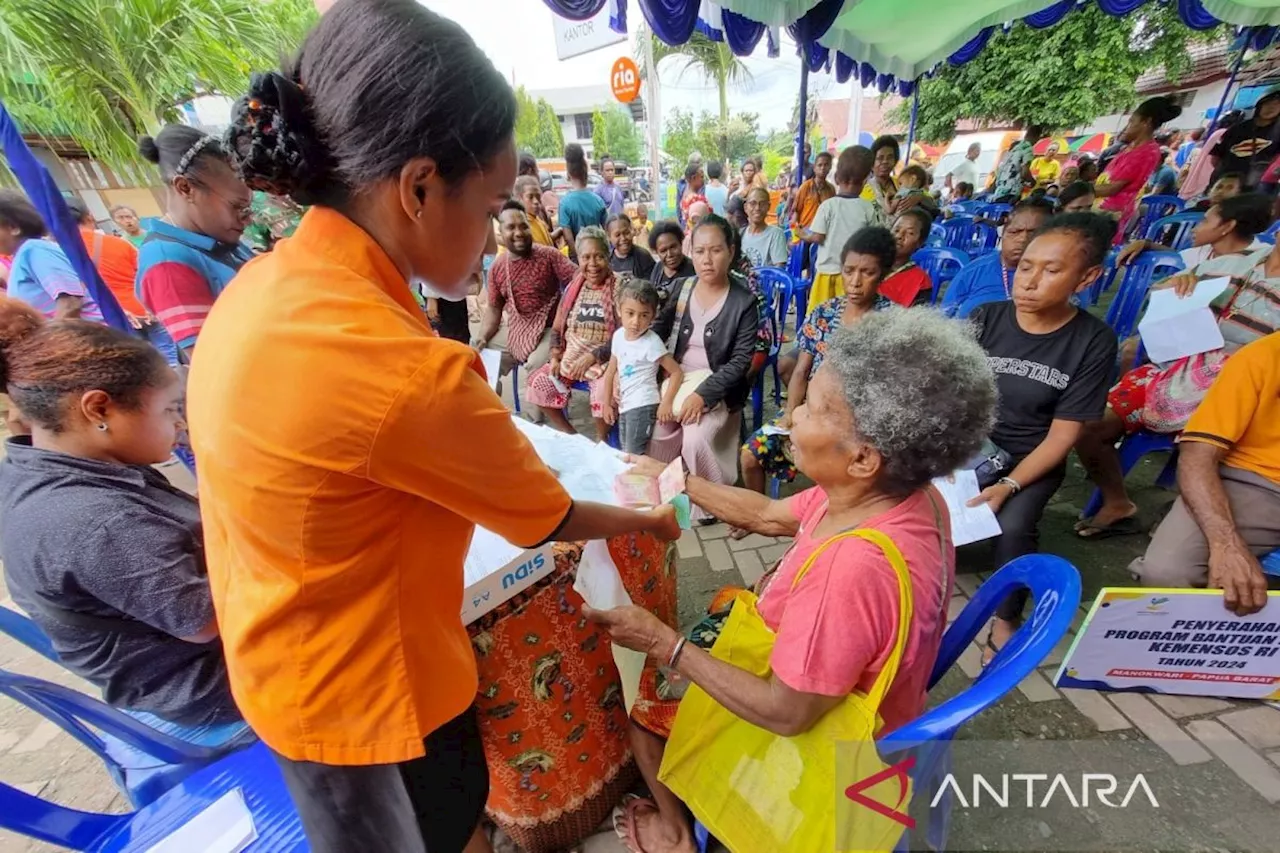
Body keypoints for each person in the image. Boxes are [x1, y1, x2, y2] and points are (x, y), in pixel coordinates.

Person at [200, 4, 680, 851]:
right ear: (420, 186)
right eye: (494, 203)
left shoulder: (259, 291)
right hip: (372, 708)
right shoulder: (397, 365)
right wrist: (649, 516)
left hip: (286, 667)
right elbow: (548, 513)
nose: (499, 234)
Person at [590, 307, 996, 853]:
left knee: (643, 709)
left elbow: (786, 714)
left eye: (812, 408)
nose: (793, 414)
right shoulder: (904, 494)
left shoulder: (850, 570)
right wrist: (677, 480)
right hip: (868, 685)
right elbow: (766, 516)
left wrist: (663, 642)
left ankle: (679, 833)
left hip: (828, 740)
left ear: (861, 458)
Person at [0, 298, 244, 733]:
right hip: (208, 685)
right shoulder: (95, 521)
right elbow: (206, 619)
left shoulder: (42, 463)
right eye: (170, 410)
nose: (181, 426)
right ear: (98, 410)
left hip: (174, 661)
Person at [1075, 194, 1278, 538]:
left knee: (1211, 453)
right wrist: (1173, 287)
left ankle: (1184, 514)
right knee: (1088, 425)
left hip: (1244, 397)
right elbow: (1161, 295)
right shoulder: (1230, 264)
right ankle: (1118, 502)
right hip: (1176, 374)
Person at [969, 213, 1119, 660]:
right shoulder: (986, 318)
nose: (1029, 281)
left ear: (1087, 277)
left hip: (1032, 457)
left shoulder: (1093, 341)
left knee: (1013, 527)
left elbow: (1062, 438)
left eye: (1051, 271)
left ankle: (1005, 617)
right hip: (972, 447)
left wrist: (1008, 485)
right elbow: (953, 394)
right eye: (1027, 265)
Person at [1130, 331, 1280, 613]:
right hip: (1256, 484)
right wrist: (1226, 544)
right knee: (1167, 572)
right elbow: (1198, 454)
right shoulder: (1263, 357)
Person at [740, 226, 895, 494]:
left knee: (846, 474)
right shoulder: (825, 312)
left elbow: (889, 392)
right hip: (810, 411)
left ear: (883, 274)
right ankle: (752, 516)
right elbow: (801, 371)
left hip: (859, 424)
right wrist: (790, 412)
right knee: (749, 455)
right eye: (849, 271)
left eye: (867, 272)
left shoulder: (892, 322)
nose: (855, 281)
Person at [649, 215, 760, 521]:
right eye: (699, 251)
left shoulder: (744, 302)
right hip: (676, 380)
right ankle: (668, 489)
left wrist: (703, 395)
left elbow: (740, 361)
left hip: (717, 387)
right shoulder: (682, 288)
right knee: (659, 429)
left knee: (696, 438)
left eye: (715, 250)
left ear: (731, 251)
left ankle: (710, 502)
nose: (706, 259)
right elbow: (656, 329)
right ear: (691, 252)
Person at [134, 125, 255, 355]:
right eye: (237, 207)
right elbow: (212, 362)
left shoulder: (218, 239)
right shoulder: (167, 263)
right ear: (185, 187)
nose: (246, 219)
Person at [471, 199, 575, 395]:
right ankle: (493, 411)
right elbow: (494, 308)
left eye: (523, 226)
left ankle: (536, 421)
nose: (518, 233)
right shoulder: (497, 267)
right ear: (501, 233)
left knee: (536, 366)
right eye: (511, 227)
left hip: (549, 331)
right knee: (482, 357)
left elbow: (578, 279)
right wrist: (482, 338)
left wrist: (566, 312)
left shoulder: (549, 256)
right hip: (517, 329)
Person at [525, 227, 619, 439]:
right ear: (578, 259)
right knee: (538, 383)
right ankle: (571, 435)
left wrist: (592, 357)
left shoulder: (620, 288)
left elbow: (624, 337)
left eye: (599, 257)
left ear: (608, 256)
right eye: (586, 257)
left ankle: (601, 441)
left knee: (604, 391)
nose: (592, 264)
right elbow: (558, 328)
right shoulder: (572, 288)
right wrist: (555, 356)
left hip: (606, 360)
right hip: (571, 354)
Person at [65, 198, 179, 365]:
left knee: (139, 363)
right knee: (169, 356)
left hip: (113, 316)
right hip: (145, 308)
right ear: (89, 217)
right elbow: (146, 275)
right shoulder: (119, 244)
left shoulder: (64, 253)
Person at [600, 278, 683, 454]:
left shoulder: (651, 343)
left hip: (643, 405)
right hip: (625, 404)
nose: (636, 322)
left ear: (653, 316)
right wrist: (606, 403)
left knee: (632, 454)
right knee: (626, 452)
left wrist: (666, 403)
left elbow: (676, 372)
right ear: (619, 310)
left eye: (644, 315)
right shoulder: (618, 336)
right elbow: (610, 372)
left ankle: (639, 481)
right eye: (630, 313)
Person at [0, 191, 104, 322]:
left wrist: (48, 341)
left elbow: (71, 303)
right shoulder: (22, 255)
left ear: (13, 227)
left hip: (87, 337)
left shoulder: (35, 250)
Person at [940, 198, 1053, 318]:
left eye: (1033, 233)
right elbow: (944, 318)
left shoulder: (1058, 278)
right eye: (1015, 232)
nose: (1022, 239)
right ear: (1003, 233)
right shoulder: (974, 271)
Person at [1094, 97, 1182, 241]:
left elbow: (1113, 188)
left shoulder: (1147, 152)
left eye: (1132, 121)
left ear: (1146, 122)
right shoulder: (1130, 147)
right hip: (1100, 207)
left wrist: (1082, 190)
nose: (1127, 126)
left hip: (1111, 213)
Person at [802, 146, 880, 304]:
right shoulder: (867, 208)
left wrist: (802, 234)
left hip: (827, 274)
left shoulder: (828, 206)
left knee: (819, 318)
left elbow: (818, 237)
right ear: (865, 181)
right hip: (853, 276)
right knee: (846, 317)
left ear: (836, 178)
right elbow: (873, 240)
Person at [1212, 87, 1280, 189]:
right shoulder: (1236, 129)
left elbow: (1275, 160)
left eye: (1277, 105)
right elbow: (1215, 158)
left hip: (1251, 188)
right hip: (1223, 182)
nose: (1271, 108)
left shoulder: (1278, 133)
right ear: (1259, 105)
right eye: (1268, 104)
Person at [1180, 111, 1241, 201]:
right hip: (1208, 172)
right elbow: (1214, 159)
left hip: (1201, 168)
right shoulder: (1225, 134)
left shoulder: (1217, 133)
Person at [558, 143, 608, 248]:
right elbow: (608, 230)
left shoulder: (564, 204)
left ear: (568, 173)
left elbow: (568, 237)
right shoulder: (598, 201)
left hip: (578, 258)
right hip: (597, 252)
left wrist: (578, 257)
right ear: (585, 171)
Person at [880, 209, 934, 307]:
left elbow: (915, 319)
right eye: (896, 230)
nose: (899, 236)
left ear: (920, 242)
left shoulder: (920, 281)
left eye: (910, 233)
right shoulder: (871, 264)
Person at [786, 150, 834, 234]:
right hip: (805, 231)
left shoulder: (831, 189)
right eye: (820, 165)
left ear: (830, 167)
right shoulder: (805, 187)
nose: (822, 168)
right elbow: (796, 212)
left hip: (823, 233)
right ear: (814, 168)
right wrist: (795, 235)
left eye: (826, 165)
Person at [648, 220, 695, 306]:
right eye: (663, 251)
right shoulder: (658, 268)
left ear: (681, 243)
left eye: (673, 247)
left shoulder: (693, 271)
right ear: (656, 252)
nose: (669, 254)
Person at [739, 187, 788, 269]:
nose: (757, 208)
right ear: (745, 207)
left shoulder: (775, 234)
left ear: (768, 207)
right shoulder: (740, 234)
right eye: (753, 203)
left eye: (762, 204)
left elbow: (779, 270)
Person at [991, 128, 1038, 203]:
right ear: (1037, 137)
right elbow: (1024, 173)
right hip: (1012, 191)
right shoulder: (1028, 148)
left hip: (1000, 189)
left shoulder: (1015, 147)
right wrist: (1033, 181)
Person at [607, 213, 656, 279]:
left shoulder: (643, 256)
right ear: (609, 237)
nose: (623, 238)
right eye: (617, 235)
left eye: (626, 233)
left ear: (632, 231)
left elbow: (651, 285)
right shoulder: (607, 260)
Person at [861, 135, 900, 218]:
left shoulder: (901, 183)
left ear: (895, 160)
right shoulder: (863, 189)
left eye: (890, 157)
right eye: (880, 158)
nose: (885, 162)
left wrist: (918, 197)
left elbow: (928, 197)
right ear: (872, 162)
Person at [514, 174, 558, 247]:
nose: (536, 201)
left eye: (538, 196)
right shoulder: (521, 227)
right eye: (530, 197)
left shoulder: (537, 219)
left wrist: (561, 230)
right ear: (519, 199)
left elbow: (545, 242)